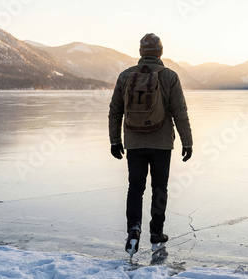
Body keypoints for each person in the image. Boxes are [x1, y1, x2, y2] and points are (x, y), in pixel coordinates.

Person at [108, 33, 193, 257]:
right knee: (159, 188)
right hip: (161, 143)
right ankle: (156, 233)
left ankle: (133, 229)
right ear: (160, 52)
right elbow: (180, 112)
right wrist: (188, 142)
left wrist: (115, 140)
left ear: (140, 52)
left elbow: (115, 111)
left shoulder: (126, 76)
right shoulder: (169, 76)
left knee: (135, 187)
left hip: (134, 142)